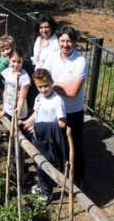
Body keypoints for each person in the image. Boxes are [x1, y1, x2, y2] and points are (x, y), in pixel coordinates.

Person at [43, 25, 88, 185]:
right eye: (62, 40)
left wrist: (52, 85)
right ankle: (61, 174)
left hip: (72, 112)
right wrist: (62, 85)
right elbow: (42, 81)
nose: (65, 44)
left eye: (69, 41)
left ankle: (78, 178)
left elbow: (73, 91)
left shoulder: (80, 61)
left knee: (75, 147)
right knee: (56, 143)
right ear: (58, 41)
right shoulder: (52, 57)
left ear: (74, 42)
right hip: (54, 109)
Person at [19, 68, 67, 205]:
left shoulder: (57, 101)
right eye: (40, 87)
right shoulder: (39, 97)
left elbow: (62, 124)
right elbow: (36, 114)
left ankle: (47, 193)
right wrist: (27, 121)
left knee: (43, 166)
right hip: (37, 137)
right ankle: (42, 185)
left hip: (48, 140)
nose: (43, 89)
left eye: (46, 85)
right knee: (37, 162)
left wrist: (41, 127)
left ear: (52, 83)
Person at [0, 47, 31, 121]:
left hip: (19, 112)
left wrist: (17, 115)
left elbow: (22, 98)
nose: (16, 64)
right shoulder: (7, 72)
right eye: (13, 61)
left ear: (22, 62)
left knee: (18, 131)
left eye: (19, 62)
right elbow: (5, 91)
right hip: (8, 108)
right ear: (9, 60)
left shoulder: (24, 78)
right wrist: (3, 110)